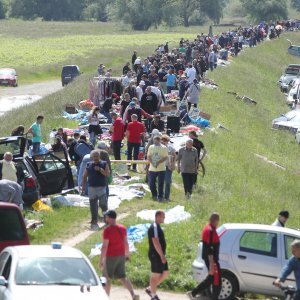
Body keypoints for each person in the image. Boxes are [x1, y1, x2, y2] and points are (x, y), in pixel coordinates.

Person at [100, 210, 139, 299]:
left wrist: (101, 260)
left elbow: (105, 246)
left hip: (110, 256)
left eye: (106, 217)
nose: (105, 218)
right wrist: (127, 254)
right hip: (121, 255)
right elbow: (126, 242)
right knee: (122, 276)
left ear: (109, 218)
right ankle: (133, 294)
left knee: (106, 277)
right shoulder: (122, 228)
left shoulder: (107, 230)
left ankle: (106, 297)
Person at [187, 213, 221, 300]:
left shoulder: (208, 227)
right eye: (218, 221)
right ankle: (194, 293)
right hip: (212, 260)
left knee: (211, 279)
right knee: (217, 280)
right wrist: (211, 265)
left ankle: (193, 293)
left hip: (211, 259)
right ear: (216, 220)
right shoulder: (210, 230)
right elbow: (209, 248)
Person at [81, 150, 110, 230]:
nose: (96, 158)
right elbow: (84, 176)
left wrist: (100, 169)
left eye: (97, 156)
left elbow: (107, 174)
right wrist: (83, 188)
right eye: (94, 156)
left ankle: (106, 218)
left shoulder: (104, 164)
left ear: (99, 156)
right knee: (93, 206)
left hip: (101, 188)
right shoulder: (89, 165)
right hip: (91, 188)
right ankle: (94, 220)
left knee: (103, 204)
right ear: (92, 157)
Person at [146, 210, 169, 300]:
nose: (164, 218)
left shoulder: (158, 226)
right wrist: (161, 256)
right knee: (155, 275)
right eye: (163, 216)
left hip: (160, 254)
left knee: (165, 273)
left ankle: (150, 289)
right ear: (158, 216)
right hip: (155, 255)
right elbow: (155, 241)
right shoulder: (154, 227)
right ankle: (153, 295)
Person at [147, 136, 168, 202]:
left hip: (161, 169)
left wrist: (158, 162)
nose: (154, 142)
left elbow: (165, 157)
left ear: (159, 141)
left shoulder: (164, 148)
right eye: (154, 141)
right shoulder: (151, 147)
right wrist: (152, 162)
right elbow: (148, 156)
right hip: (152, 168)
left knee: (160, 184)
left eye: (156, 141)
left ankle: (160, 197)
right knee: (151, 183)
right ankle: (154, 195)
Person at [161, 135, 176, 201]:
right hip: (160, 166)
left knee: (167, 181)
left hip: (168, 166)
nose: (163, 142)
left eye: (165, 141)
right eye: (162, 141)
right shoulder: (159, 148)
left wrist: (173, 164)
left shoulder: (170, 147)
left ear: (167, 141)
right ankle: (160, 195)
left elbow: (174, 156)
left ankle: (166, 197)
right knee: (160, 181)